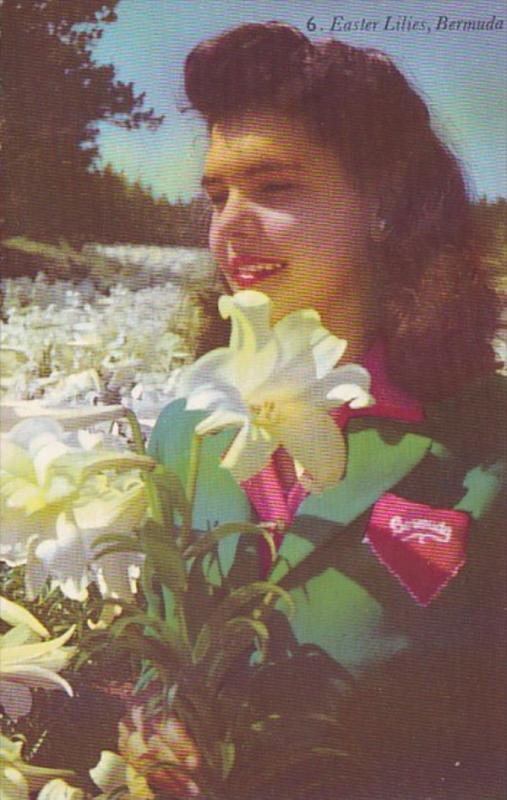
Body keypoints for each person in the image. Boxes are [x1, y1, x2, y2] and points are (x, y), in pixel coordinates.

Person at [148, 22, 506, 799]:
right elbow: (146, 661)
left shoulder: (484, 439)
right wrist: (147, 728)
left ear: (385, 199)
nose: (229, 223)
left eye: (273, 186)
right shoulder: (183, 428)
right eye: (217, 194)